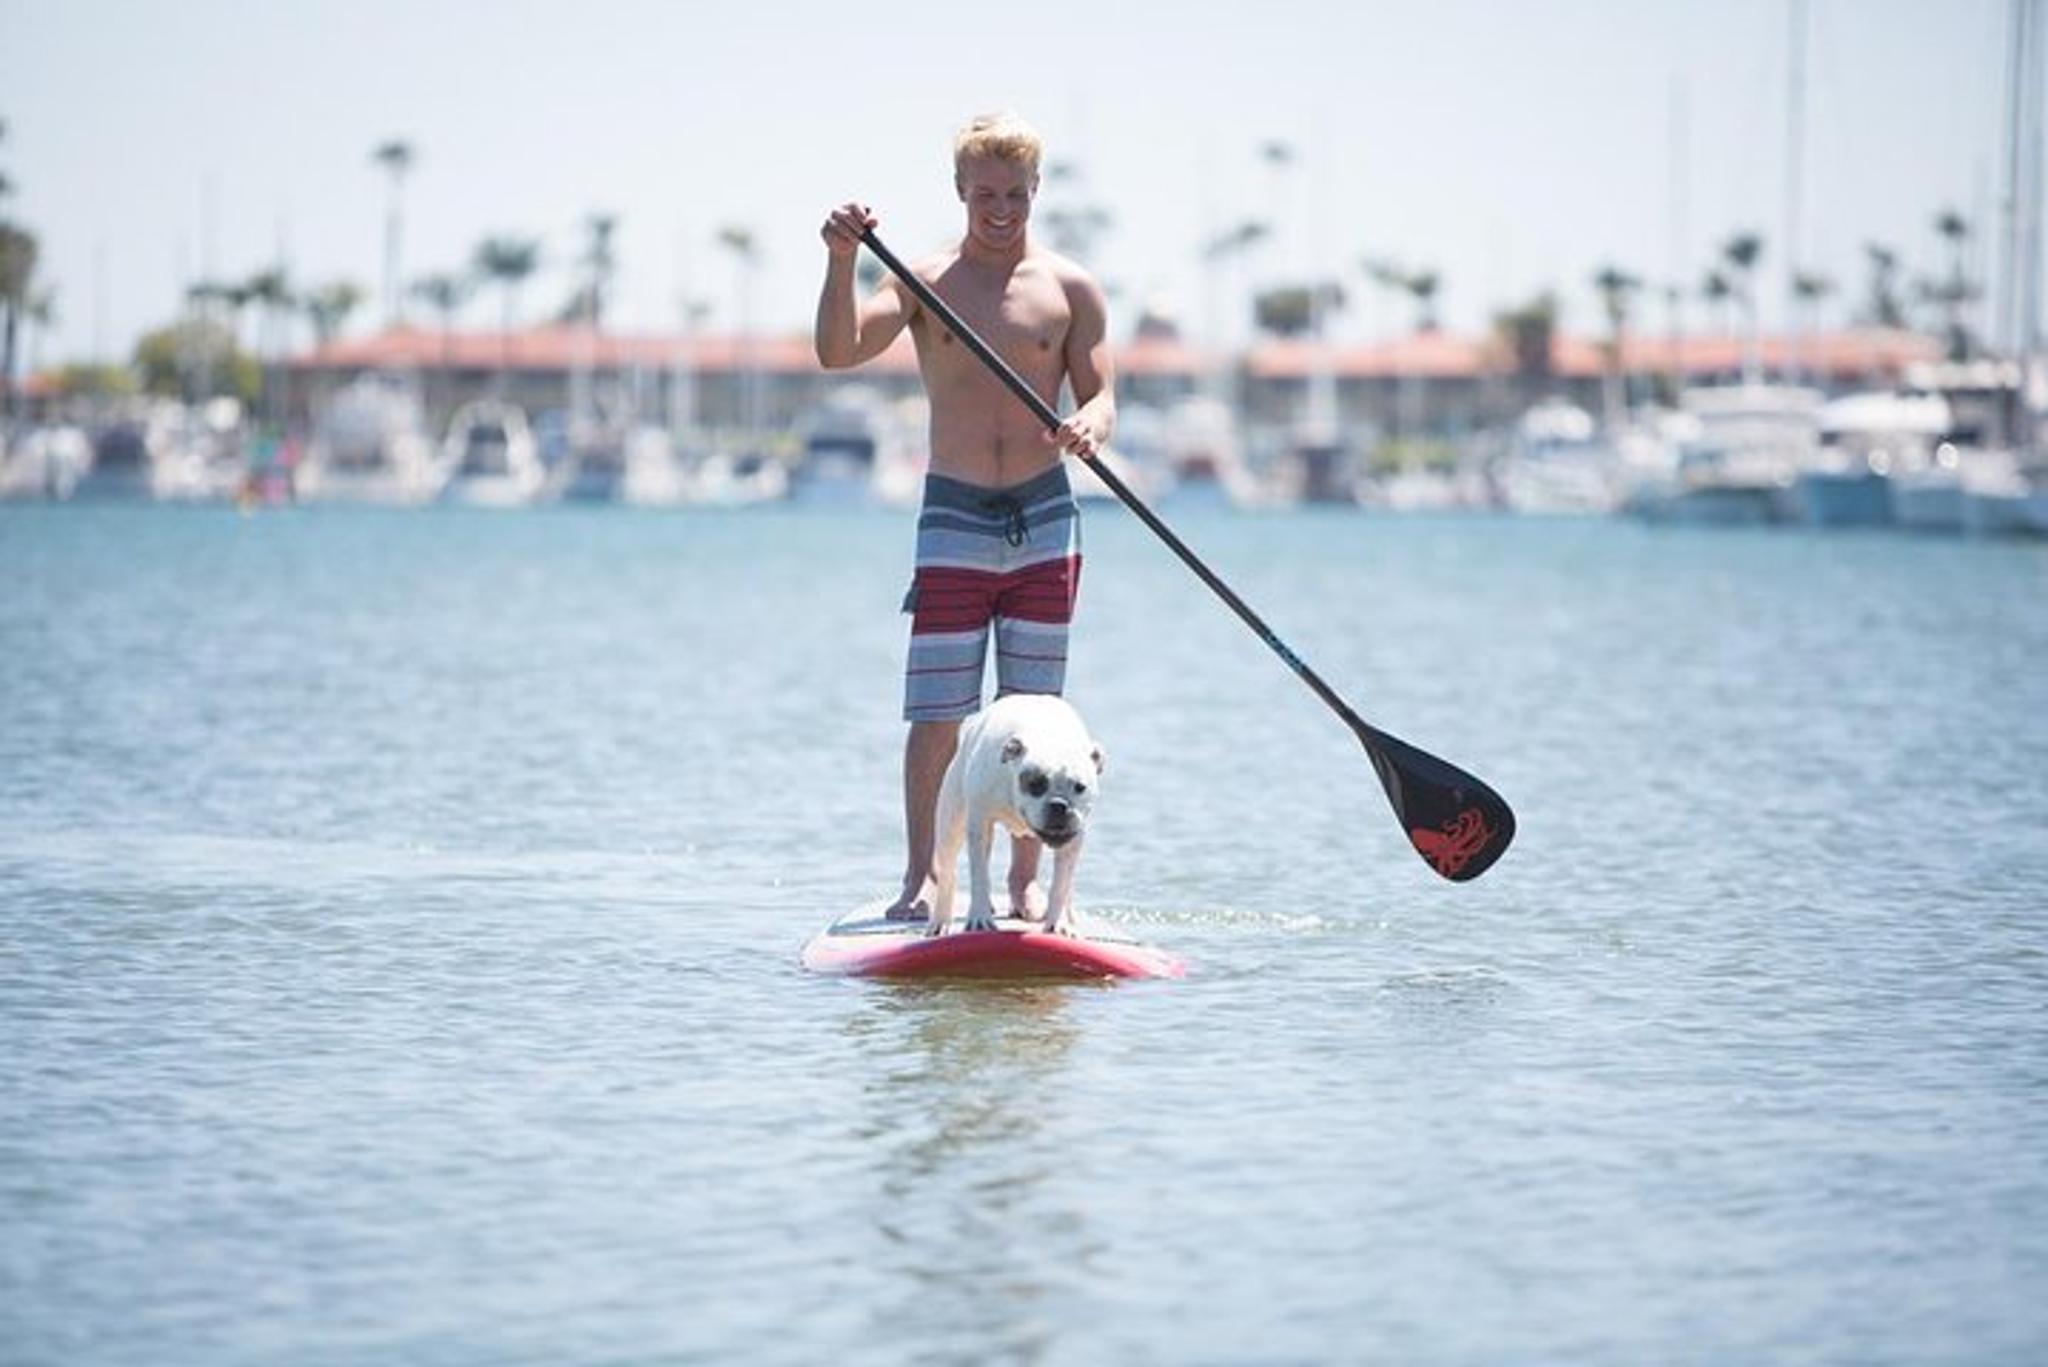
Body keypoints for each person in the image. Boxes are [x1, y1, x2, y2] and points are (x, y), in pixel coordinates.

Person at [815, 111, 1116, 921]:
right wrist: (842, 262)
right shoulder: (920, 281)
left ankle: (1022, 886)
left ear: (1035, 191)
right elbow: (838, 350)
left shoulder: (1070, 288)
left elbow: (1100, 391)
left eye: (1016, 193)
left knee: (1037, 715)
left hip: (1046, 515)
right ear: (960, 191)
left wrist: (1091, 423)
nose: (1001, 209)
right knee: (938, 708)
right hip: (953, 514)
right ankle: (923, 876)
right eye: (986, 193)